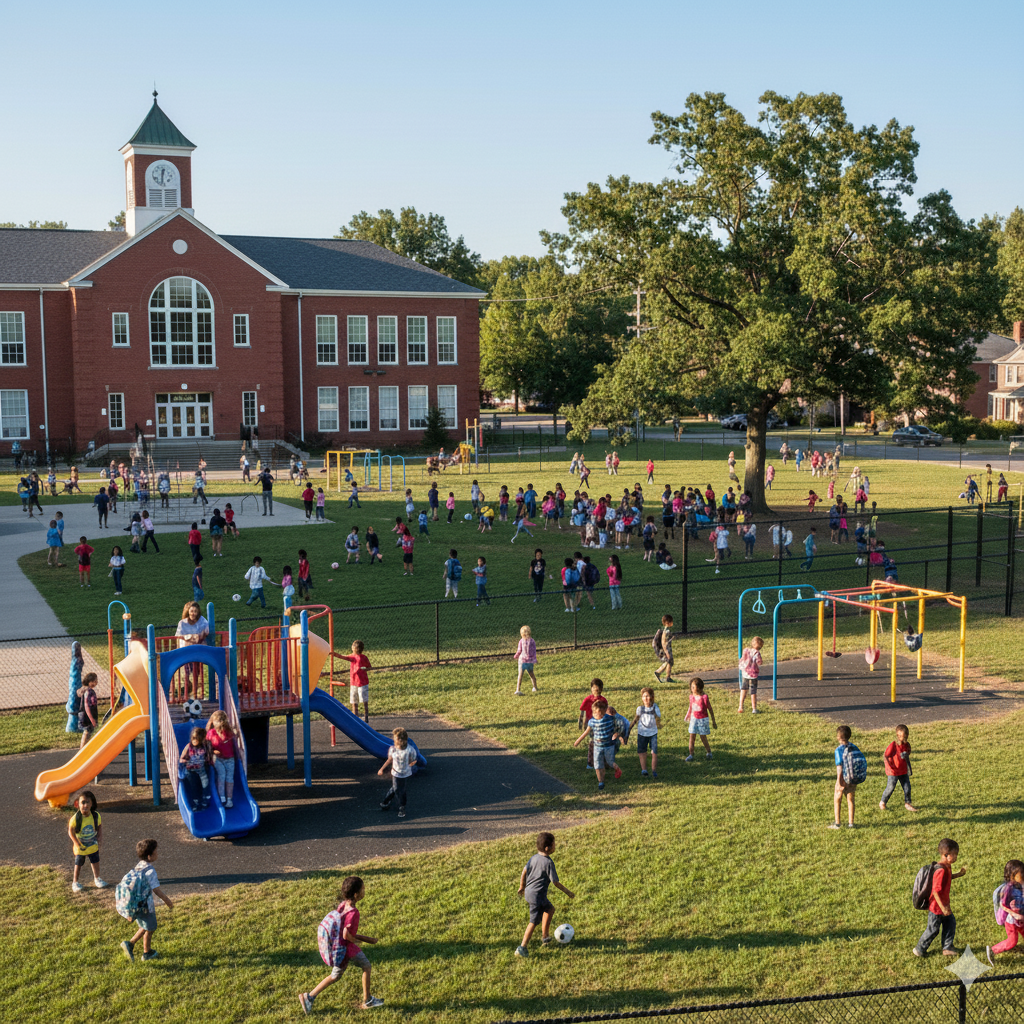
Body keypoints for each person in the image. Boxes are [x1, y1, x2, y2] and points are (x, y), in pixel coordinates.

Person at [298, 875, 382, 1013]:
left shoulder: (343, 905)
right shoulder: (354, 912)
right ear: (356, 894)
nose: (364, 891)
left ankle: (309, 997)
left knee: (338, 975)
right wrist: (358, 940)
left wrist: (367, 939)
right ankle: (367, 1001)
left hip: (340, 946)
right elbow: (346, 934)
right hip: (345, 949)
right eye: (363, 889)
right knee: (360, 968)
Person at [514, 832, 575, 958]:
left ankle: (545, 937)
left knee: (549, 909)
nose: (555, 846)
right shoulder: (548, 862)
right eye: (554, 844)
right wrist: (568, 892)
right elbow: (555, 882)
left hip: (530, 892)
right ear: (548, 848)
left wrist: (522, 886)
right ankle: (522, 947)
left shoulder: (534, 858)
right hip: (537, 896)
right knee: (533, 921)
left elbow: (524, 871)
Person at [119, 838, 174, 962]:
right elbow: (157, 890)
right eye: (156, 851)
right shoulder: (150, 871)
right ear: (149, 856)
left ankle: (130, 944)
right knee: (151, 928)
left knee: (145, 926)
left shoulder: (139, 866)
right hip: (145, 907)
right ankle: (147, 952)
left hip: (135, 905)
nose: (158, 853)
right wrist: (168, 901)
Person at [913, 838, 965, 958]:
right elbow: (935, 891)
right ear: (946, 855)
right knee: (933, 929)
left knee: (950, 923)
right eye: (954, 854)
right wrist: (943, 908)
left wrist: (958, 874)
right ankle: (920, 948)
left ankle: (947, 947)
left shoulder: (947, 867)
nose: (956, 857)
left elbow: (947, 879)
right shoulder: (940, 870)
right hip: (937, 907)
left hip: (944, 905)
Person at [573, 696, 622, 790]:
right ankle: (601, 781)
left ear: (604, 712)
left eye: (598, 713)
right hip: (597, 747)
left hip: (609, 746)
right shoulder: (592, 722)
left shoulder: (610, 719)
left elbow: (618, 726)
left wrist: (618, 735)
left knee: (610, 762)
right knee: (597, 764)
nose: (595, 714)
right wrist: (578, 741)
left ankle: (617, 769)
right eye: (594, 712)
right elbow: (586, 732)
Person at [68, 790, 107, 891]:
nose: (85, 805)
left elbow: (99, 826)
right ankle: (75, 882)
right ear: (77, 804)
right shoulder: (76, 819)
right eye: (83, 802)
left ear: (92, 804)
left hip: (93, 845)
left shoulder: (95, 816)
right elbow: (71, 832)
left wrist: (99, 837)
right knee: (78, 864)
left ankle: (97, 878)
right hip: (81, 847)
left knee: (95, 861)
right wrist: (76, 843)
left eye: (87, 802)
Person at [987, 860, 1024, 965]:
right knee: (1012, 941)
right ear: (1012, 876)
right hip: (1011, 921)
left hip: (1020, 919)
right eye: (1021, 874)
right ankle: (993, 950)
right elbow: (1003, 906)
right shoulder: (1008, 890)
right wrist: (1011, 915)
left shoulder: (1019, 885)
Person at [378, 727, 417, 818]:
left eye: (395, 738)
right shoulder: (393, 749)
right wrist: (382, 769)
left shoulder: (410, 750)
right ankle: (387, 802)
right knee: (396, 789)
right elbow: (389, 760)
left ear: (400, 740)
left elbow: (413, 759)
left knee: (400, 789)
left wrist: (411, 764)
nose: (394, 740)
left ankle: (401, 806)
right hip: (395, 772)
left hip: (405, 773)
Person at [205, 709, 240, 808]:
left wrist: (236, 731)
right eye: (216, 720)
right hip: (217, 758)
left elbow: (235, 734)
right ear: (213, 721)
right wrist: (213, 751)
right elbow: (207, 746)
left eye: (221, 720)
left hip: (229, 758)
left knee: (229, 778)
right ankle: (222, 797)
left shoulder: (228, 731)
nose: (219, 722)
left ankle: (229, 799)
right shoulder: (211, 733)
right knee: (222, 774)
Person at [175, 601, 210, 699]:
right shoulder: (182, 623)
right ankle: (186, 693)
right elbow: (178, 636)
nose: (193, 613)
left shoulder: (202, 621)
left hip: (198, 651)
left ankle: (195, 693)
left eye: (195, 611)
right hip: (186, 651)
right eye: (191, 611)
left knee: (196, 672)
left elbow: (206, 631)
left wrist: (200, 635)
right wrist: (189, 637)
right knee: (186, 672)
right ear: (187, 612)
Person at [830, 724, 862, 828]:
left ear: (838, 737)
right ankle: (851, 823)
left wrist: (839, 781)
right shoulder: (854, 747)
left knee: (837, 799)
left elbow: (839, 767)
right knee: (851, 800)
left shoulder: (838, 750)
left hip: (843, 777)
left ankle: (837, 823)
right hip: (853, 778)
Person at [879, 724, 917, 812]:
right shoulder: (893, 745)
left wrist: (906, 757)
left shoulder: (907, 745)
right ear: (897, 735)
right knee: (891, 787)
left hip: (903, 770)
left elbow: (908, 752)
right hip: (893, 771)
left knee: (907, 787)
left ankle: (908, 803)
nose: (902, 739)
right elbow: (886, 755)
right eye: (900, 736)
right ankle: (883, 802)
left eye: (904, 737)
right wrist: (889, 766)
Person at [179, 725, 213, 811]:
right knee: (194, 787)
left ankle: (205, 801)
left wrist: (209, 761)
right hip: (191, 770)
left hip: (202, 770)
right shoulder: (188, 746)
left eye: (197, 738)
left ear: (201, 739)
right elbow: (181, 758)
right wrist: (185, 761)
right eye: (193, 737)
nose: (194, 740)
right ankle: (196, 803)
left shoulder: (204, 746)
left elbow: (208, 756)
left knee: (205, 785)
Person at [630, 686, 661, 778]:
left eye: (647, 696)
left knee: (654, 752)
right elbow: (636, 719)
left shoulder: (655, 707)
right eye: (644, 696)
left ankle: (654, 770)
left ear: (651, 697)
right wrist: (629, 728)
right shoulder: (640, 709)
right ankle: (644, 770)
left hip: (652, 733)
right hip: (642, 733)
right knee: (642, 751)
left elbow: (658, 718)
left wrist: (653, 709)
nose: (646, 698)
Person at [684, 677, 716, 760]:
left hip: (703, 720)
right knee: (692, 735)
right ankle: (691, 754)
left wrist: (713, 721)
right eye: (691, 687)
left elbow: (710, 708)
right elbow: (690, 707)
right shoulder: (691, 697)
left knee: (703, 736)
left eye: (693, 687)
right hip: (694, 719)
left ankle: (709, 752)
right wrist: (688, 716)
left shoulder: (704, 697)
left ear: (699, 687)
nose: (692, 689)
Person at [341, 640, 371, 723]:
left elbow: (369, 667)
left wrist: (364, 668)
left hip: (362, 683)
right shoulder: (352, 657)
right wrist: (333, 654)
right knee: (354, 701)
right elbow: (343, 657)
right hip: (353, 683)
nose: (352, 648)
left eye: (354, 647)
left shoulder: (363, 658)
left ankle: (366, 716)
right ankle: (355, 716)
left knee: (364, 700)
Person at [738, 636, 764, 713]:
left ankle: (740, 706)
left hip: (745, 672)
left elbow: (743, 658)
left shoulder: (746, 650)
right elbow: (759, 662)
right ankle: (754, 708)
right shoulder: (757, 653)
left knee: (743, 689)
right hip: (753, 674)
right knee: (753, 691)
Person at [76, 672, 100, 749]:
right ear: (89, 681)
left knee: (89, 731)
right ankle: (82, 749)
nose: (96, 683)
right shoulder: (89, 692)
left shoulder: (86, 690)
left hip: (85, 714)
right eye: (94, 681)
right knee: (87, 731)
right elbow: (87, 706)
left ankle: (86, 748)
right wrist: (92, 719)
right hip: (87, 715)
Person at [514, 625, 538, 695]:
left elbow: (519, 650)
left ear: (522, 634)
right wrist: (535, 659)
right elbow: (534, 651)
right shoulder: (532, 641)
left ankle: (518, 689)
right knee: (531, 675)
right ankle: (535, 687)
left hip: (522, 660)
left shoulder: (521, 641)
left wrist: (516, 656)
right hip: (530, 661)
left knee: (520, 675)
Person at [653, 614, 675, 683]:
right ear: (667, 623)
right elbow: (663, 643)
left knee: (669, 662)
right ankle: (660, 673)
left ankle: (666, 676)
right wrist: (667, 653)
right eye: (671, 621)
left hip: (668, 649)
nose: (672, 623)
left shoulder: (667, 630)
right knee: (669, 662)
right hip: (667, 650)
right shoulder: (666, 631)